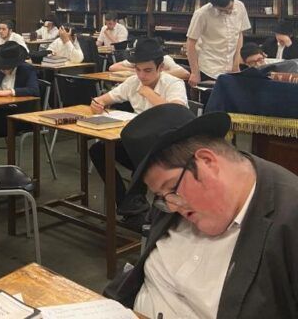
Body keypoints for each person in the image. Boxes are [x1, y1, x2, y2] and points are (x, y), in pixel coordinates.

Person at [105, 103, 298, 318]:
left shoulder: (289, 218)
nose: (171, 206)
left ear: (207, 161)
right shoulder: (174, 199)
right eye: (160, 196)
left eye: (171, 188)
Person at [89, 39, 188, 223]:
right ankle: (126, 204)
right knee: (98, 150)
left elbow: (177, 113)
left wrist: (150, 94)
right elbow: (104, 99)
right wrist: (98, 103)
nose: (142, 75)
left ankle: (134, 207)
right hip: (139, 144)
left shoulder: (173, 83)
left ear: (160, 68)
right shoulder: (133, 82)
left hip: (167, 149)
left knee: (141, 153)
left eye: (148, 70)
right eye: (138, 69)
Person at [186, 0, 251, 87]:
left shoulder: (240, 6)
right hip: (209, 69)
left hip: (231, 69)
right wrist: (195, 72)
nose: (228, 12)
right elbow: (191, 43)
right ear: (214, 6)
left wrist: (236, 64)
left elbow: (239, 35)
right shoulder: (202, 14)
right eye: (222, 10)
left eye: (230, 7)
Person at [108, 45, 190, 80]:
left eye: (147, 70)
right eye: (138, 69)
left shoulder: (165, 59)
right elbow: (112, 67)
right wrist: (135, 71)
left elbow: (185, 73)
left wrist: (154, 74)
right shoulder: (137, 58)